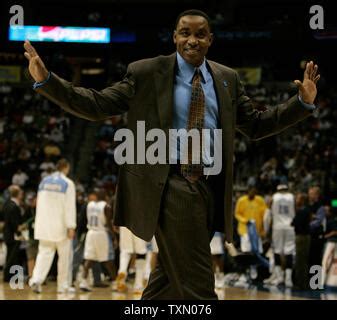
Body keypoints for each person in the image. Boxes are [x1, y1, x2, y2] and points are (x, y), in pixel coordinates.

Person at [24, 9, 320, 299]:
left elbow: (256, 125)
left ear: (210, 40)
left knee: (167, 280)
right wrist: (48, 81)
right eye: (185, 33)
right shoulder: (147, 72)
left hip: (208, 186)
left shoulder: (227, 79)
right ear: (174, 37)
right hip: (170, 183)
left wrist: (300, 104)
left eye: (200, 34)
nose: (193, 40)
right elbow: (98, 104)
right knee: (199, 282)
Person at [29, 158, 76, 293]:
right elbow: (69, 207)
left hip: (44, 225)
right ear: (66, 167)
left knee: (43, 255)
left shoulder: (44, 181)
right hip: (60, 226)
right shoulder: (68, 183)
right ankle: (63, 286)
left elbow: (39, 204)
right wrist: (71, 225)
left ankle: (36, 280)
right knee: (64, 258)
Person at [79, 189, 116, 291]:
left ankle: (83, 282)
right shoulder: (106, 206)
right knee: (108, 260)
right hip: (101, 234)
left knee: (89, 259)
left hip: (90, 233)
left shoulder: (89, 205)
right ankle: (116, 283)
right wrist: (114, 237)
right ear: (105, 196)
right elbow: (108, 224)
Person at [235, 187, 267, 281]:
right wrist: (245, 221)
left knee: (256, 252)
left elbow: (264, 214)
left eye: (254, 192)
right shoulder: (241, 200)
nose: (252, 193)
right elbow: (237, 213)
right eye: (251, 191)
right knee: (246, 251)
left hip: (257, 230)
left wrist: (263, 229)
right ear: (247, 192)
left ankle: (254, 268)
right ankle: (245, 272)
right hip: (245, 229)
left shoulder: (260, 200)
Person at [268, 184, 296, 287]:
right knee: (289, 252)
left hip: (277, 227)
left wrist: (268, 229)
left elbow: (269, 211)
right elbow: (296, 210)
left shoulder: (274, 197)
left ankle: (279, 277)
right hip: (290, 226)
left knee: (277, 251)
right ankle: (288, 279)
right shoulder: (292, 197)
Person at [2, 185, 25, 282]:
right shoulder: (13, 206)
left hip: (7, 234)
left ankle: (10, 276)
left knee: (10, 256)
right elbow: (14, 223)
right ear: (18, 194)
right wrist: (19, 230)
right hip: (13, 235)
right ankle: (10, 277)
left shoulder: (6, 204)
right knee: (13, 257)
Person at [292, 192, 311, 290]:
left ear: (302, 200)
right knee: (303, 261)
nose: (296, 200)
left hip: (301, 237)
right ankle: (303, 283)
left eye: (298, 199)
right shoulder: (306, 210)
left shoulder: (302, 211)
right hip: (305, 237)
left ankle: (301, 284)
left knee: (300, 262)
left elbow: (293, 222)